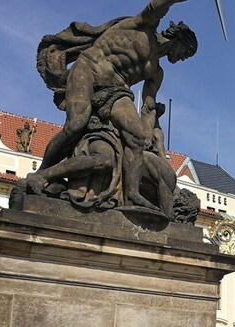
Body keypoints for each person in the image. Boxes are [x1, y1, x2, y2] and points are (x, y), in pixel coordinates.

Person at [30, 0, 197, 211]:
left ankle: (132, 194)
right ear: (179, 40)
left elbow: (148, 107)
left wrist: (148, 134)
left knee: (136, 134)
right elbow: (157, 5)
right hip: (89, 70)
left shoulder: (156, 72)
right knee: (76, 124)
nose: (183, 58)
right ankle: (41, 174)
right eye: (186, 52)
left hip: (117, 91)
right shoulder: (144, 26)